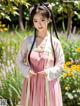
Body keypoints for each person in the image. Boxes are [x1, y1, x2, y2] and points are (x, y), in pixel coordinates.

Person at [16, 3, 65, 106]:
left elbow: (61, 64)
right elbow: (19, 60)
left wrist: (48, 72)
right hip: (31, 85)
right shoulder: (28, 41)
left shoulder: (55, 42)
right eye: (35, 21)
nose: (39, 24)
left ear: (49, 19)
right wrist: (26, 70)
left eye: (42, 20)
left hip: (49, 85)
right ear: (33, 22)